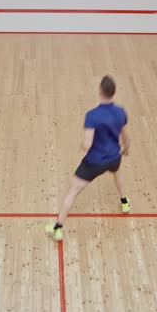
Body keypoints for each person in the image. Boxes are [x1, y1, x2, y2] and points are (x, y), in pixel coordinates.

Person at [46, 75, 131, 241]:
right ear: (113, 93)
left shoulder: (92, 115)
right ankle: (125, 202)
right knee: (117, 172)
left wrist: (82, 148)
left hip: (95, 162)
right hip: (114, 157)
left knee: (72, 191)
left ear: (100, 91)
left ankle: (57, 228)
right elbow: (127, 138)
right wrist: (126, 150)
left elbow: (87, 144)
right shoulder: (121, 112)